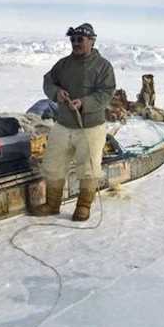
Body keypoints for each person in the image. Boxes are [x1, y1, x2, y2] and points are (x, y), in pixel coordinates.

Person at [33, 23, 116, 221]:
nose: (76, 43)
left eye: (81, 40)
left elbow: (106, 93)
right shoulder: (63, 64)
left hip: (90, 128)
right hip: (63, 125)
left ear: (92, 41)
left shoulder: (103, 66)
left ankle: (84, 206)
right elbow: (48, 81)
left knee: (88, 168)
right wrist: (56, 93)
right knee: (53, 164)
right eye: (73, 40)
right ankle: (52, 205)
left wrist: (84, 103)